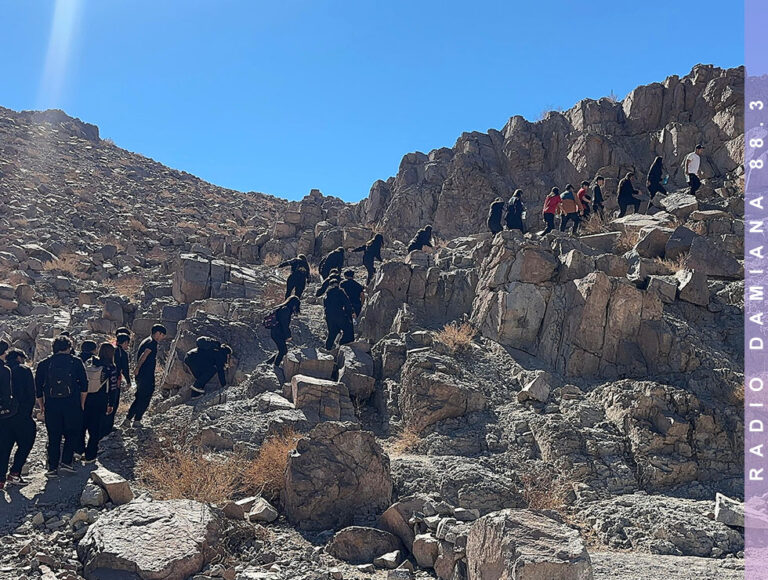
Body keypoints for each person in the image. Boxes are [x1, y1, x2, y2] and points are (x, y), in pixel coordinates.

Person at [35, 335, 88, 478]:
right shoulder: (76, 361)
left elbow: (38, 388)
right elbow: (84, 385)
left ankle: (52, 467)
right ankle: (66, 463)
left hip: (52, 405)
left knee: (53, 436)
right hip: (72, 404)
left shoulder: (44, 364)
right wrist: (81, 403)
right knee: (72, 433)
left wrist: (42, 406)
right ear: (69, 348)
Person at [0, 349, 37, 488]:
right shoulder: (24, 370)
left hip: (3, 416)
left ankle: (0, 480)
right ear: (18, 357)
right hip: (21, 415)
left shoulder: (3, 369)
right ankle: (14, 473)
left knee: (3, 448)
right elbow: (31, 394)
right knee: (26, 442)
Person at [81, 343, 120, 463]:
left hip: (85, 398)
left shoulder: (90, 362)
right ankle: (90, 455)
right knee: (95, 429)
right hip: (100, 400)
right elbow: (113, 387)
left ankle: (79, 450)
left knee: (83, 425)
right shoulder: (110, 367)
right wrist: (111, 404)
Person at [124, 324, 167, 427]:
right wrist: (137, 368)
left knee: (139, 397)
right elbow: (144, 355)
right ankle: (137, 420)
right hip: (146, 375)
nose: (162, 338)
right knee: (145, 397)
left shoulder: (146, 340)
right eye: (162, 335)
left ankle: (128, 419)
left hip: (142, 374)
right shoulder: (152, 343)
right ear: (158, 333)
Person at [106, 332, 131, 434]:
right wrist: (128, 381)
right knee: (114, 402)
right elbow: (125, 369)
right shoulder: (122, 353)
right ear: (124, 342)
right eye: (127, 343)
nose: (127, 346)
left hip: (104, 380)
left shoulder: (110, 349)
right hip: (115, 380)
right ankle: (109, 425)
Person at [265, 296, 301, 368]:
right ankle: (276, 366)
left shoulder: (283, 308)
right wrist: (288, 336)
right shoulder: (286, 310)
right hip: (278, 333)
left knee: (282, 350)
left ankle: (269, 362)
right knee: (283, 351)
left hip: (276, 332)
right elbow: (284, 325)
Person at [323, 275, 354, 350]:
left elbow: (326, 306)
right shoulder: (340, 292)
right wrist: (349, 315)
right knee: (348, 330)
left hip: (329, 316)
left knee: (332, 333)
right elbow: (347, 304)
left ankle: (328, 349)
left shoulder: (327, 294)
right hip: (339, 315)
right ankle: (343, 346)